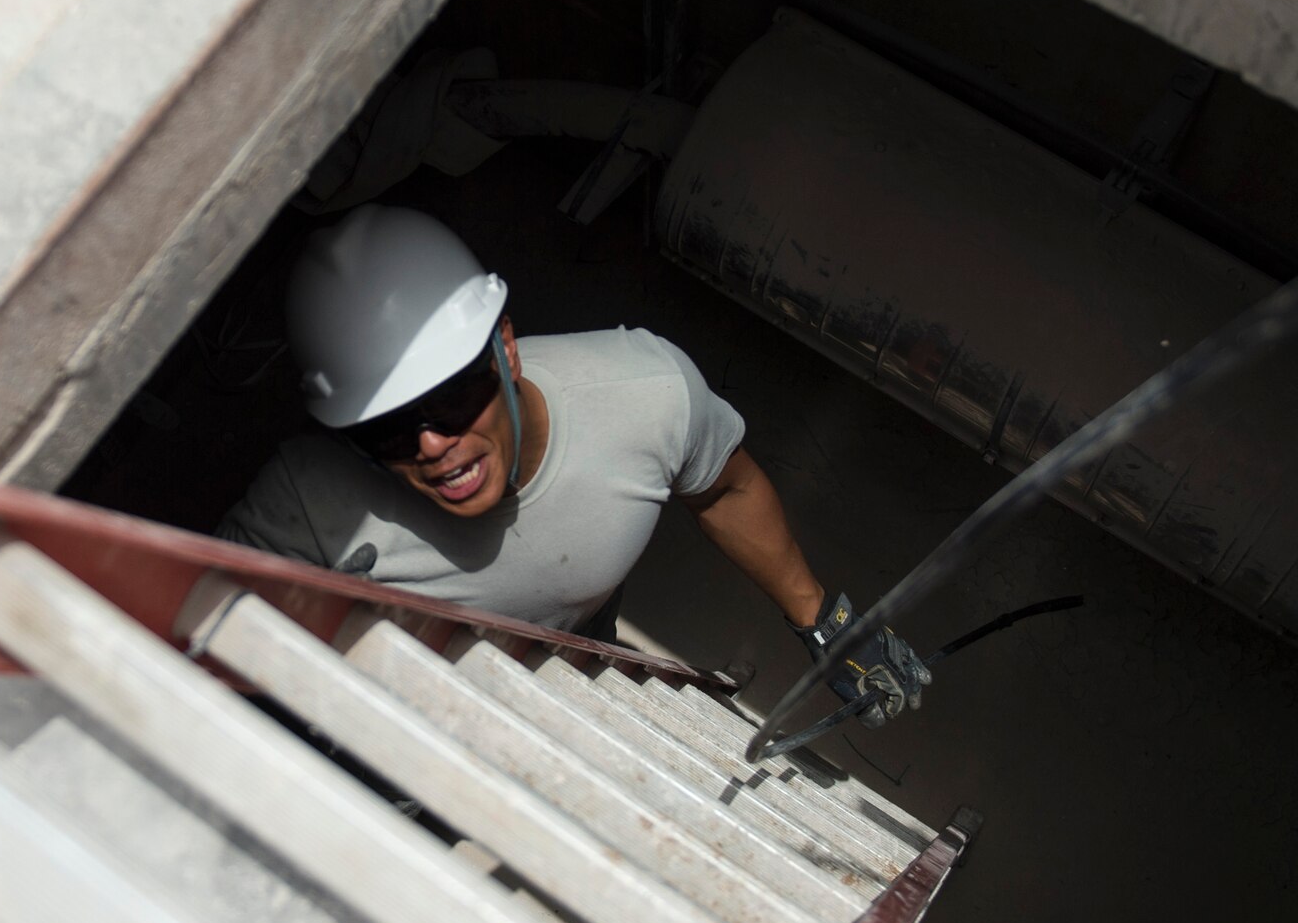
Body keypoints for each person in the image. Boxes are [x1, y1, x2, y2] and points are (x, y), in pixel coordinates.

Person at [216, 205, 930, 723]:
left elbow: (725, 487)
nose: (432, 444)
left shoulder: (646, 396)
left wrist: (825, 620)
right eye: (389, 428)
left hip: (580, 672)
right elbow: (210, 653)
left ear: (507, 348)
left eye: (453, 396)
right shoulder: (308, 507)